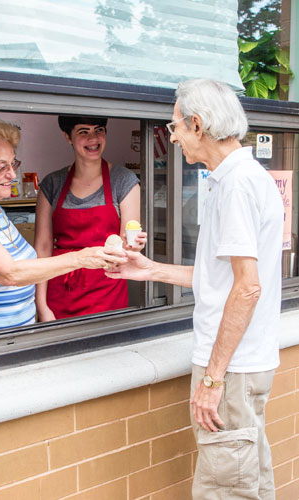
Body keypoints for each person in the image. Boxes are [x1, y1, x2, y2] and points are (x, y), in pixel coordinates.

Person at [107, 78, 284, 500]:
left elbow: (247, 289)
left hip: (232, 368)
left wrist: (212, 379)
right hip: (246, 364)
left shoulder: (236, 186)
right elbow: (219, 279)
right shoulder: (238, 178)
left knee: (226, 489)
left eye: (175, 127)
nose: (173, 138)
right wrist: (150, 271)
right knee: (249, 480)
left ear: (199, 125)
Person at [0, 118, 126, 334]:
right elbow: (9, 273)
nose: (12, 175)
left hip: (18, 334)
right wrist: (80, 258)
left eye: (13, 163)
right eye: (1, 167)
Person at [34, 115, 146, 321]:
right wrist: (41, 304)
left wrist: (135, 246)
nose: (93, 139)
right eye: (83, 132)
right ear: (67, 137)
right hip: (60, 290)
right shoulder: (52, 184)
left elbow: (127, 242)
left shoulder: (123, 181)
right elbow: (42, 247)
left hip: (107, 291)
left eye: (99, 130)